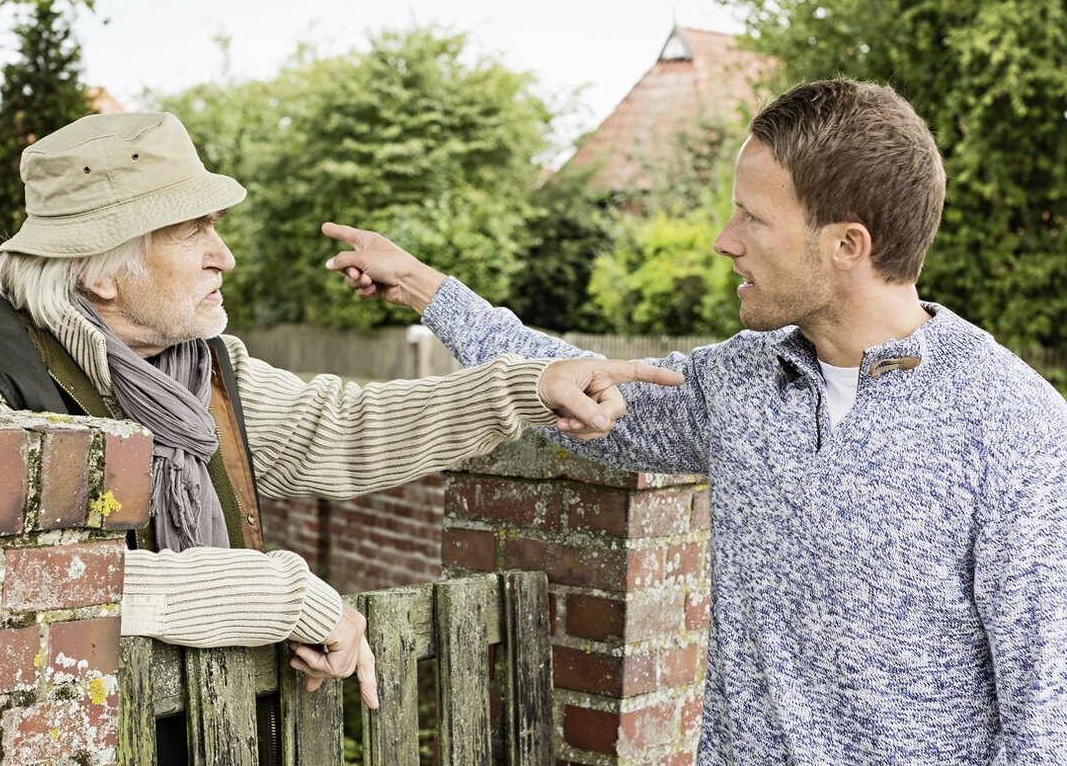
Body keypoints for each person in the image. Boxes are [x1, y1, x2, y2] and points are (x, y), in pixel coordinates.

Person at [323, 79, 1067, 763]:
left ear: (848, 245)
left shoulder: (1013, 428)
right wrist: (426, 288)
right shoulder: (740, 380)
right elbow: (576, 383)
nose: (724, 239)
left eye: (753, 217)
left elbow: (1046, 724)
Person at [0, 111, 681, 715]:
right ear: (102, 273)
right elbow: (8, 584)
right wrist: (281, 594)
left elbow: (342, 428)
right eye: (193, 231)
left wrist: (526, 388)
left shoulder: (198, 368)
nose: (223, 255)